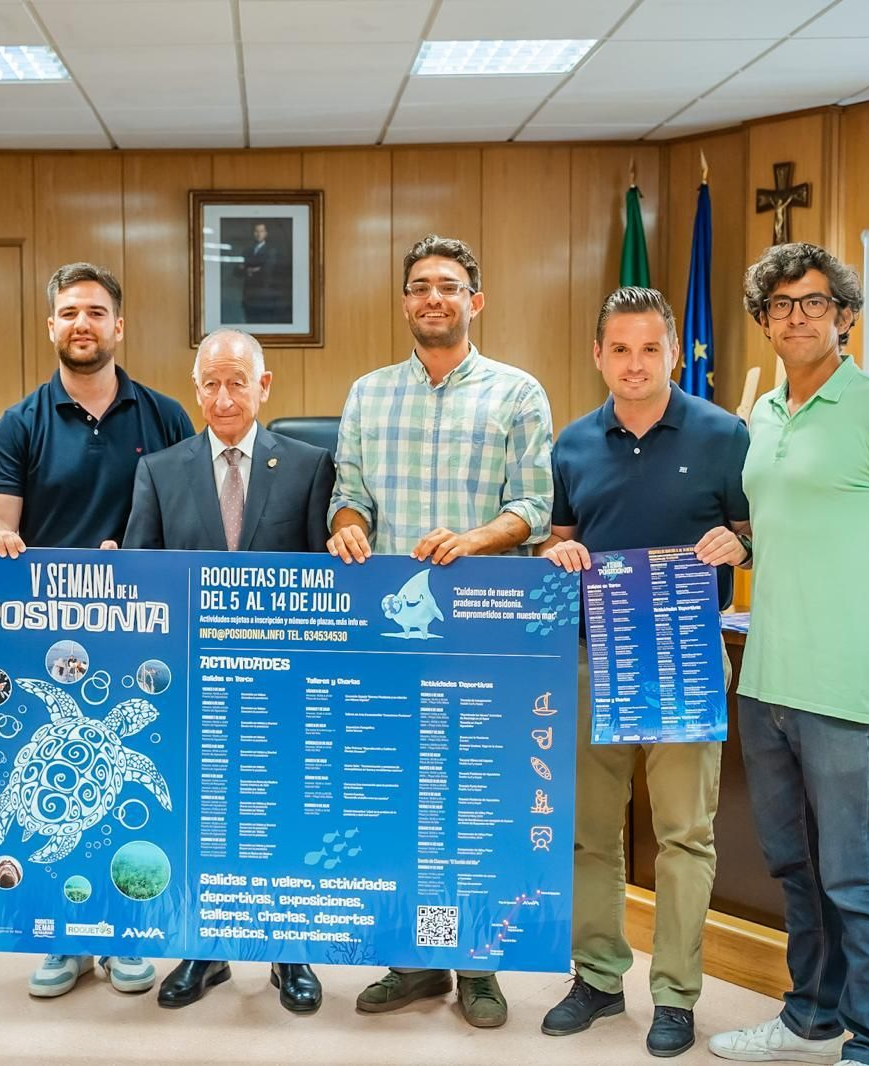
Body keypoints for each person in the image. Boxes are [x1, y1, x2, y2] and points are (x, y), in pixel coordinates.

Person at [708, 243, 869, 1066]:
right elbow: (786, 528)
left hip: (850, 688)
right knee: (794, 868)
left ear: (844, 315)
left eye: (815, 302)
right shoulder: (765, 416)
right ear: (764, 321)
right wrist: (738, 545)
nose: (798, 316)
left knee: (858, 879)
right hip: (768, 678)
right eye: (780, 305)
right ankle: (810, 1016)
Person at [328, 234, 553, 1029]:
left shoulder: (517, 393)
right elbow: (347, 493)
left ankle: (479, 965)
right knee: (402, 804)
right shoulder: (367, 393)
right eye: (420, 286)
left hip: (482, 634)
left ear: (475, 301)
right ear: (404, 302)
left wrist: (475, 540)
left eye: (449, 287)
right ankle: (415, 960)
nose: (434, 299)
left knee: (474, 807)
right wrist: (348, 527)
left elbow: (533, 508)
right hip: (390, 638)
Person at [0, 261, 194, 999]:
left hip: (147, 634)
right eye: (69, 312)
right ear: (51, 326)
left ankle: (126, 934)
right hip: (54, 632)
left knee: (123, 822)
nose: (82, 324)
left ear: (118, 326)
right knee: (40, 805)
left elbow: (191, 524)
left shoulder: (165, 417)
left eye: (96, 312)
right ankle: (60, 939)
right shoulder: (21, 422)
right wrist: (0, 538)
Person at [538, 287, 751, 1057]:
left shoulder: (727, 435)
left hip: (688, 660)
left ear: (672, 352)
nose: (635, 364)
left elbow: (757, 530)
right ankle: (596, 978)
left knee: (684, 836)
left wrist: (741, 546)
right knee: (587, 836)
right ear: (598, 355)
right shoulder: (570, 444)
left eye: (650, 348)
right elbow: (562, 540)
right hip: (596, 661)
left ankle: (676, 995)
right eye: (619, 349)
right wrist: (555, 555)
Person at [122, 327, 334, 1015]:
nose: (222, 396)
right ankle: (203, 950)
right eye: (209, 383)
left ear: (263, 386)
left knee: (283, 818)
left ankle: (288, 952)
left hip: (283, 683)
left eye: (236, 381)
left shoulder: (308, 465)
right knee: (201, 820)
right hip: (192, 685)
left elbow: (327, 585)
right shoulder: (159, 468)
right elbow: (140, 581)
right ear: (195, 389)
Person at [238, 222, 286, 324]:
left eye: (261, 231)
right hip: (248, 296)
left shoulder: (271, 251)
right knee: (249, 325)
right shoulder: (247, 251)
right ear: (253, 233)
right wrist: (249, 270)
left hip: (264, 296)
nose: (259, 234)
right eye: (256, 231)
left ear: (266, 233)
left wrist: (247, 269)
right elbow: (237, 270)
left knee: (263, 324)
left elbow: (267, 270)